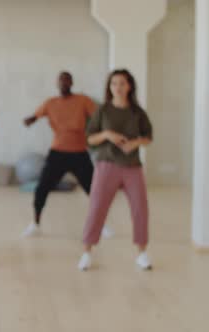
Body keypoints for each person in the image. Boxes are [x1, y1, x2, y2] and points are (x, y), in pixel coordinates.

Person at [78, 69, 153, 271]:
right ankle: (86, 253)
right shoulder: (102, 111)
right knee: (97, 208)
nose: (117, 87)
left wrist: (135, 142)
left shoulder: (137, 112)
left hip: (132, 168)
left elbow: (148, 137)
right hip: (106, 166)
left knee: (140, 209)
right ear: (109, 87)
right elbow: (90, 139)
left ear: (129, 86)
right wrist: (108, 134)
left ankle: (142, 253)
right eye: (113, 84)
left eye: (121, 83)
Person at [22, 71, 113, 238]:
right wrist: (29, 120)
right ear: (57, 84)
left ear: (71, 83)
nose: (64, 83)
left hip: (79, 153)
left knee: (95, 190)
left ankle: (102, 225)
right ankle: (35, 223)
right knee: (42, 188)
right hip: (57, 153)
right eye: (61, 81)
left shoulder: (82, 100)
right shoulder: (50, 103)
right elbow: (35, 116)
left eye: (67, 80)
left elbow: (99, 117)